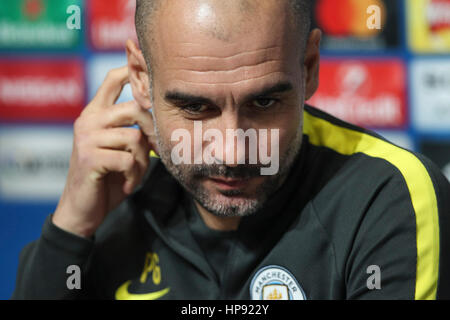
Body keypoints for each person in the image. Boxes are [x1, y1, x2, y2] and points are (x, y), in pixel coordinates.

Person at [12, 0, 450, 300]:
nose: (231, 150)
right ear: (142, 78)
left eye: (263, 103)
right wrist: (69, 229)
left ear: (309, 67)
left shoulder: (387, 195)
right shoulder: (116, 190)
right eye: (195, 107)